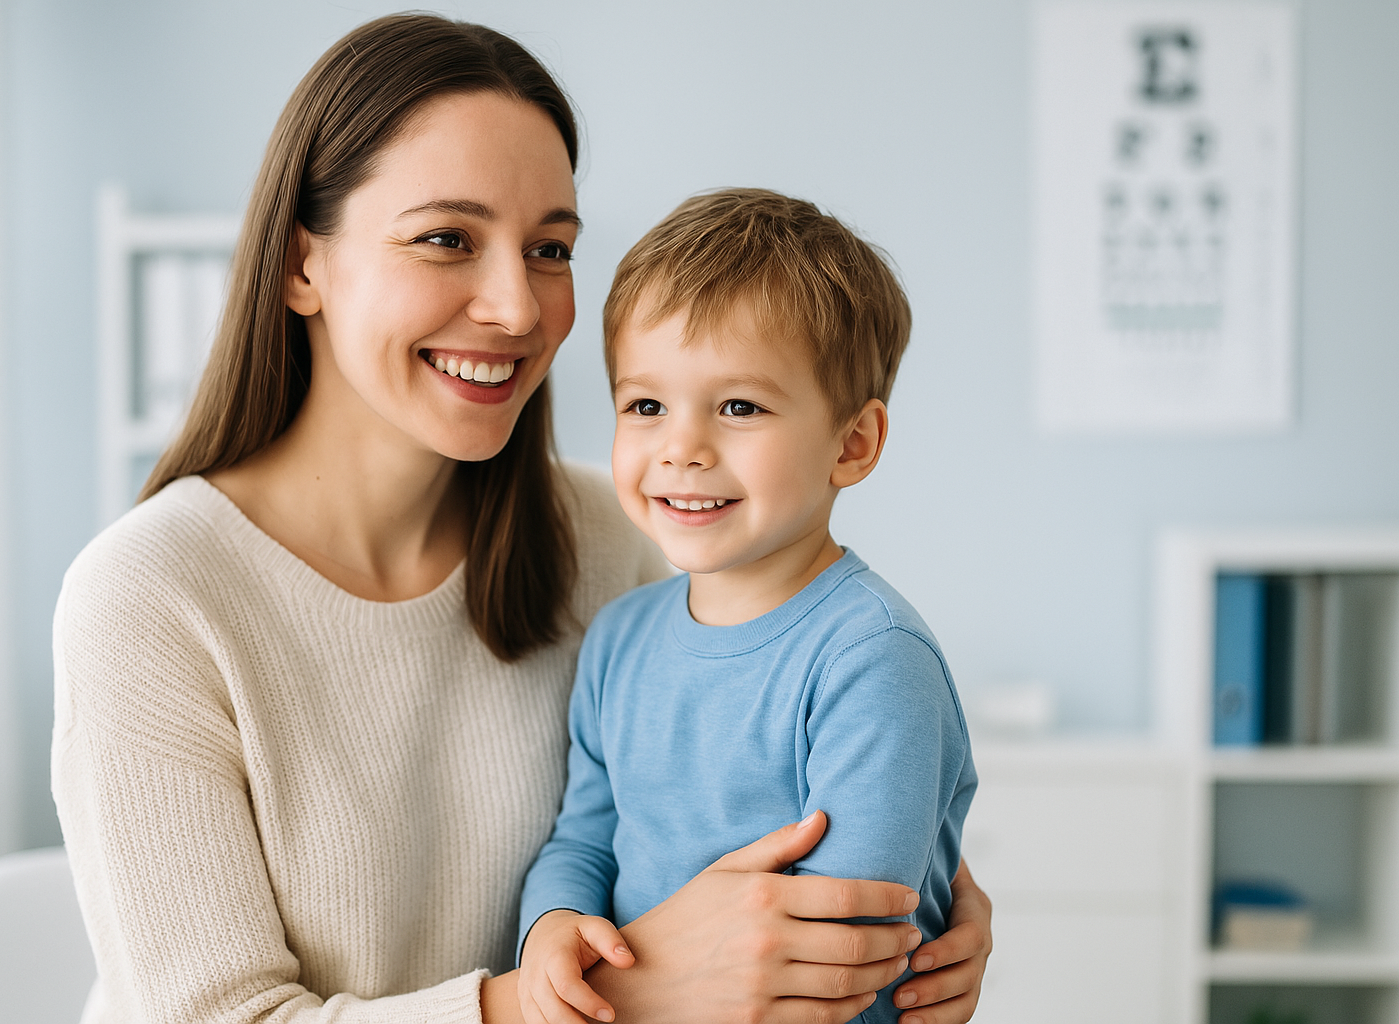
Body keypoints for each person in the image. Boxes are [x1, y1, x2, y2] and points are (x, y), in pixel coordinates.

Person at [51, 15, 993, 1024]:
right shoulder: (151, 598)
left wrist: (920, 908)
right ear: (300, 265)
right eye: (446, 239)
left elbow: (744, 810)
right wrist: (611, 997)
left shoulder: (618, 544)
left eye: (550, 248)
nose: (517, 307)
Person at [515, 189, 976, 1024]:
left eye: (739, 407)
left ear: (852, 443)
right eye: (646, 405)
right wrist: (552, 928)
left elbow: (842, 950)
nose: (681, 448)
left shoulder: (873, 659)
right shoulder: (618, 639)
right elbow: (583, 838)